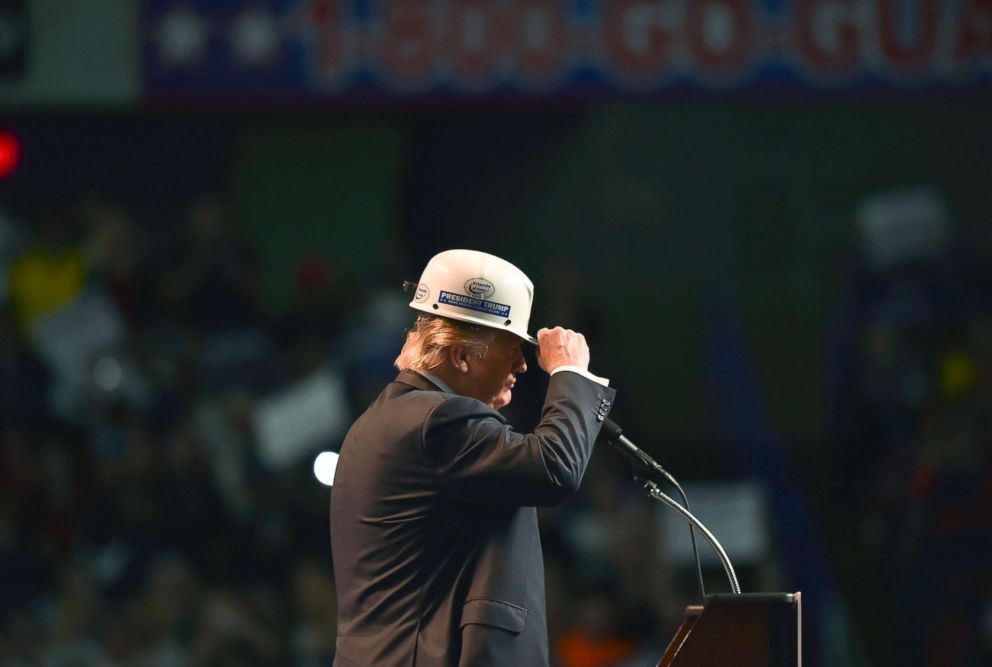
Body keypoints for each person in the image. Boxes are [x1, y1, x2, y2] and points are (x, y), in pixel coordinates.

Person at [330, 249, 616, 667]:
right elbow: (555, 467)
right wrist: (570, 375)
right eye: (511, 347)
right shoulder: (440, 418)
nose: (523, 364)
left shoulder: (380, 422)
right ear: (461, 355)